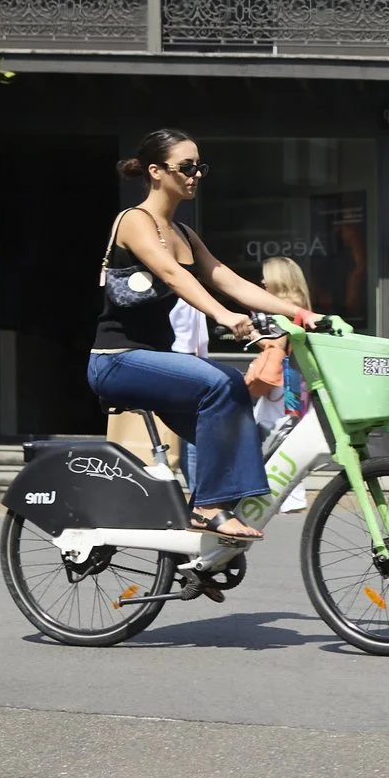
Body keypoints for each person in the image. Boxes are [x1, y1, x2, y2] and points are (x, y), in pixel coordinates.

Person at [91, 129, 319, 541]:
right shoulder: (133, 221)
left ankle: (205, 546)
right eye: (186, 167)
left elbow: (229, 280)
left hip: (156, 363)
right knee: (220, 382)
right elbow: (171, 274)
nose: (195, 175)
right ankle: (207, 508)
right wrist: (223, 315)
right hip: (117, 359)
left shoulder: (184, 233)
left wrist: (298, 312)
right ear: (156, 171)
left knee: (232, 404)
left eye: (200, 167)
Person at [258, 255, 320, 512]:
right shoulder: (299, 307)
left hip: (281, 383)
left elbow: (277, 345)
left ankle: (287, 498)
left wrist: (253, 334)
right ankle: (289, 497)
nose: (262, 282)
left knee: (273, 436)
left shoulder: (282, 310)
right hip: (297, 381)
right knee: (287, 436)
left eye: (266, 277)